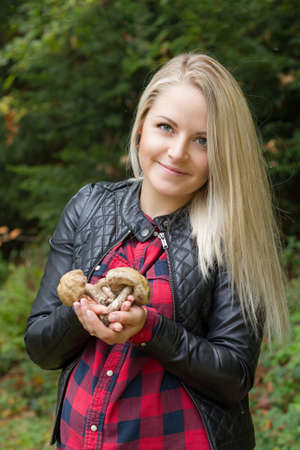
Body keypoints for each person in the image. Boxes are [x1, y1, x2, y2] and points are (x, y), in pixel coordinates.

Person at [25, 53, 289, 450]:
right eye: (166, 127)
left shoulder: (232, 235)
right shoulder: (88, 207)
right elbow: (41, 347)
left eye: (203, 140)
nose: (178, 151)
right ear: (141, 129)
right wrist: (82, 316)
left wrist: (150, 329)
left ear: (224, 154)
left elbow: (233, 377)